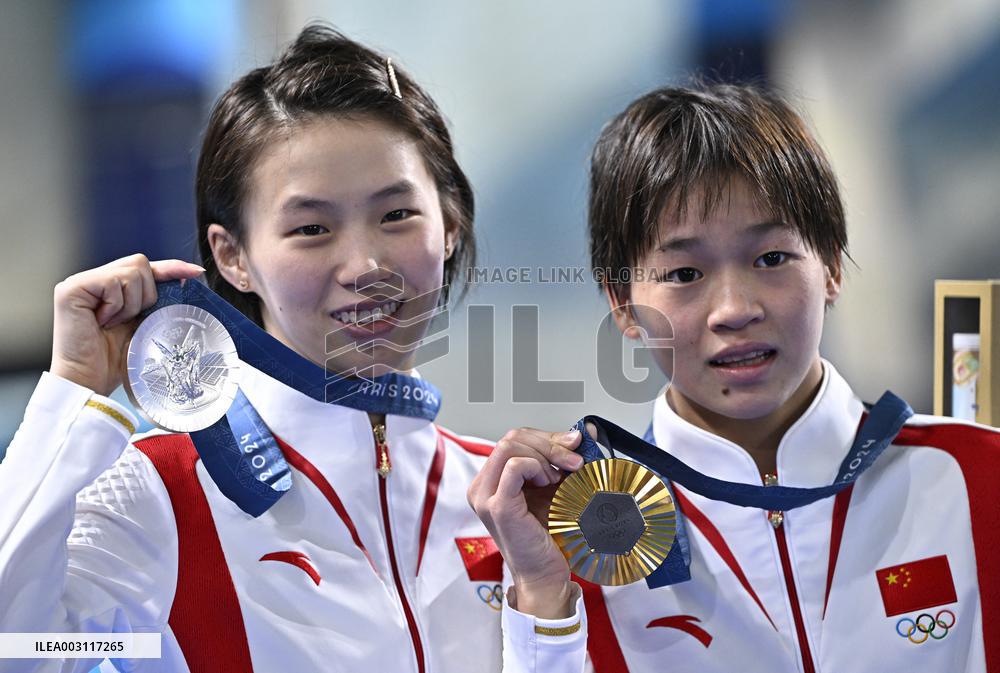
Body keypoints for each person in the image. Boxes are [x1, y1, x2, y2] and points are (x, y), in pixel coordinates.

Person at [0, 24, 504, 673]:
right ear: (233, 256)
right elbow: (18, 649)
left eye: (396, 215)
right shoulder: (160, 493)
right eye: (311, 228)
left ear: (451, 224)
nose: (366, 265)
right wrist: (72, 392)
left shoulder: (507, 497)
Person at [468, 83, 1000, 672]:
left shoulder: (980, 476)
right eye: (684, 273)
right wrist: (543, 597)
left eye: (770, 258)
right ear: (623, 304)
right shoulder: (578, 541)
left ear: (830, 265)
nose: (734, 309)